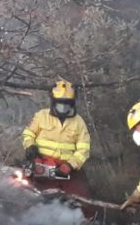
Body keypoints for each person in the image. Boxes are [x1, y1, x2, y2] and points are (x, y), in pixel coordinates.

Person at [22, 79, 93, 208]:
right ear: (53, 100)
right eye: (60, 103)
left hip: (67, 170)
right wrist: (30, 146)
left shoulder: (78, 122)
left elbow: (84, 149)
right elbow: (28, 133)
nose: (63, 106)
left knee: (82, 202)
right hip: (42, 166)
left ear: (72, 103)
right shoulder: (41, 116)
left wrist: (71, 165)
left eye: (67, 103)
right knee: (36, 200)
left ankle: (84, 224)